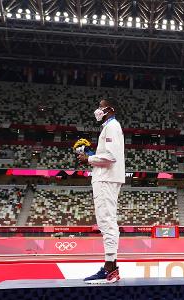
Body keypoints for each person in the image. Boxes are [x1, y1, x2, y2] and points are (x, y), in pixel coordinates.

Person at [78, 98, 125, 284]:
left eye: (101, 106)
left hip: (107, 179)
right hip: (104, 178)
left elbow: (111, 157)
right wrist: (91, 155)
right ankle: (109, 267)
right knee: (106, 222)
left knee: (107, 222)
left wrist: (88, 159)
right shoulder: (108, 127)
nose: (98, 109)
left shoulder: (112, 126)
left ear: (110, 109)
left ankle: (110, 269)